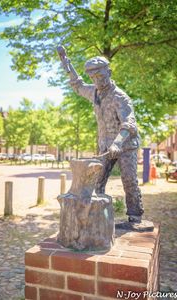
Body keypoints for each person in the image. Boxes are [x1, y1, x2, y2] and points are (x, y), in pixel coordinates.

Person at [57, 48, 144, 223]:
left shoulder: (120, 97)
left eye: (101, 77)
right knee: (95, 181)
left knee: (129, 180)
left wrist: (118, 143)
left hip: (125, 145)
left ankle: (135, 216)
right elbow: (78, 85)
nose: (97, 81)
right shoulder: (94, 92)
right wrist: (66, 63)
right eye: (94, 78)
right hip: (105, 146)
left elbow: (129, 123)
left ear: (109, 73)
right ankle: (98, 217)